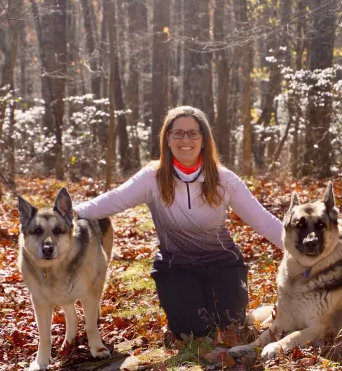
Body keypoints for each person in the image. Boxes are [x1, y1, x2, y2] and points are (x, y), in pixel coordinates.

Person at [74, 106, 283, 339]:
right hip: (176, 267)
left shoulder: (225, 180)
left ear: (204, 140)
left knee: (229, 326)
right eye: (178, 133)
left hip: (222, 264)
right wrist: (74, 212)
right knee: (193, 330)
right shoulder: (152, 177)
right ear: (167, 138)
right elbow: (115, 199)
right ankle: (181, 312)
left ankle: (236, 309)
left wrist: (303, 251)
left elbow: (263, 220)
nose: (186, 140)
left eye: (193, 133)